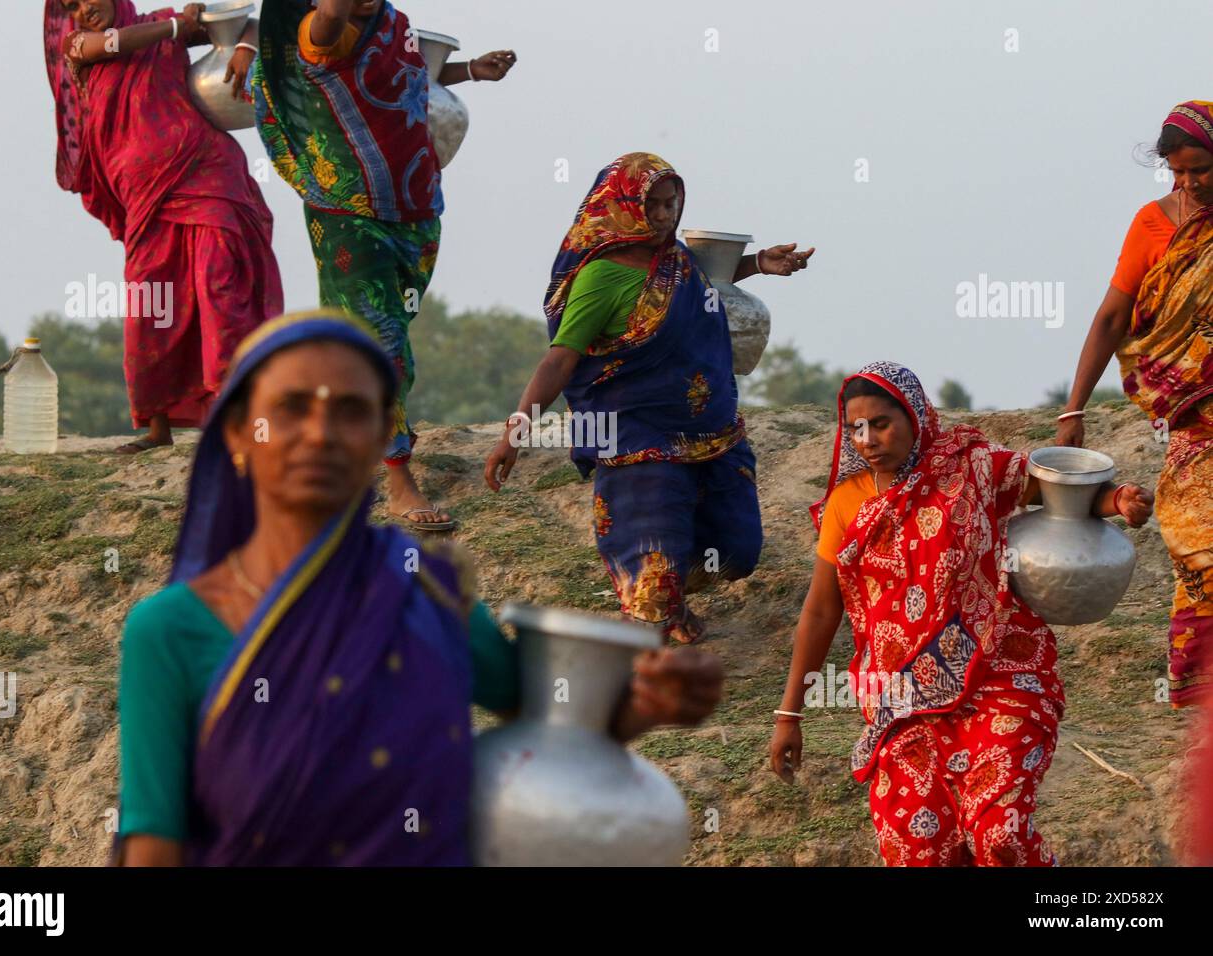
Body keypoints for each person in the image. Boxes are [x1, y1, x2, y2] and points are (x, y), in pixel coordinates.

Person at [116, 309, 725, 865]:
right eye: (292, 408)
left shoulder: (425, 594)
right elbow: (153, 842)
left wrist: (652, 703)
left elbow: (557, 734)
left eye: (351, 411)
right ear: (238, 433)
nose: (321, 433)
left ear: (385, 433)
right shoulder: (168, 631)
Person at [769, 362, 1153, 866]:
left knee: (1000, 837)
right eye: (856, 427)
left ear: (916, 416)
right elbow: (821, 612)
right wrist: (789, 714)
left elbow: (1059, 497)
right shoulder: (846, 503)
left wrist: (1117, 501)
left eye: (881, 423)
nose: (867, 439)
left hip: (1001, 676)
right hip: (901, 702)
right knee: (920, 850)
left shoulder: (970, 466)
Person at [483, 152, 813, 644]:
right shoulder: (600, 278)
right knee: (653, 584)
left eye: (670, 204)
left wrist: (759, 265)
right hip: (640, 439)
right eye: (652, 205)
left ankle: (674, 592)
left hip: (714, 434)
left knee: (738, 551)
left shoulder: (676, 261)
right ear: (619, 207)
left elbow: (703, 284)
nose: (663, 216)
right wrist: (517, 431)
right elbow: (559, 360)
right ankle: (652, 631)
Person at [252, 0, 516, 531]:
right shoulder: (319, 27)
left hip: (415, 208)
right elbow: (326, 32)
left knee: (377, 336)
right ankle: (398, 479)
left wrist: (471, 72)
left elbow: (405, 76)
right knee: (382, 343)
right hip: (349, 213)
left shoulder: (392, 23)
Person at [44, 0, 283, 453]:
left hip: (208, 174)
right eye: (71, 7)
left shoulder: (161, 28)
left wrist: (246, 49)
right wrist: (177, 27)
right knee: (153, 299)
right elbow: (112, 44)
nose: (83, 11)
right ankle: (158, 427)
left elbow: (249, 21)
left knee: (221, 289)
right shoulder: (78, 45)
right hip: (144, 195)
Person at [1056, 100, 1213, 709]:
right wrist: (1073, 409)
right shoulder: (1152, 224)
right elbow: (1114, 315)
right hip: (1195, 424)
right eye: (1177, 173)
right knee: (1198, 543)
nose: (1188, 184)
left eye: (1199, 169)